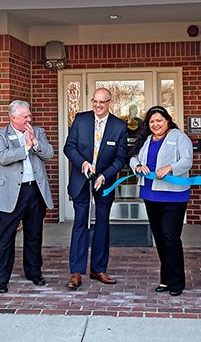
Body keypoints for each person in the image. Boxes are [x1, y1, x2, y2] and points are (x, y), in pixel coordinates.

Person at [63, 87, 128, 289]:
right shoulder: (81, 120)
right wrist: (82, 163)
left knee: (102, 224)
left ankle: (98, 269)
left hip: (104, 181)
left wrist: (104, 175)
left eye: (102, 102)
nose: (98, 106)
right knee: (80, 222)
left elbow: (120, 158)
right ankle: (76, 271)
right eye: (95, 102)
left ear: (110, 103)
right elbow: (69, 147)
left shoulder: (119, 126)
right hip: (81, 178)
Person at [0, 100, 54, 294]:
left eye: (29, 115)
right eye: (25, 116)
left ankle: (34, 272)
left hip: (34, 190)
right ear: (13, 118)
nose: (29, 119)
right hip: (10, 193)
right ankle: (1, 279)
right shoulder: (0, 135)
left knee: (34, 235)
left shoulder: (38, 132)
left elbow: (49, 154)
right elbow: (2, 157)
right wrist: (25, 148)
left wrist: (34, 143)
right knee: (4, 238)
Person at [129, 106, 193, 296]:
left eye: (159, 120)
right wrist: (138, 166)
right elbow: (132, 158)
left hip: (173, 195)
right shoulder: (147, 140)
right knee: (160, 238)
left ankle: (177, 281)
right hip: (150, 194)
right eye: (152, 122)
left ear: (167, 120)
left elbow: (187, 160)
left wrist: (170, 167)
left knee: (170, 237)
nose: (156, 124)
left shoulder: (179, 137)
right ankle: (165, 279)